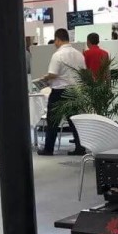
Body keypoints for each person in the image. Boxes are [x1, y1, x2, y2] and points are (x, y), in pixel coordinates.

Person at [37, 28, 87, 156]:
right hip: (74, 91)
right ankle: (80, 147)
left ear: (58, 39)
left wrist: (44, 78)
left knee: (53, 121)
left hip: (59, 92)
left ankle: (48, 149)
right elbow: (83, 72)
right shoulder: (79, 54)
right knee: (74, 120)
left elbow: (53, 74)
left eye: (55, 41)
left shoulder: (58, 55)